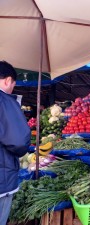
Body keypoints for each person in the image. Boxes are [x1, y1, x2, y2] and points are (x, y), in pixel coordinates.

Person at [0, 61, 31, 225]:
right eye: (13, 85)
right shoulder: (5, 101)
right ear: (7, 80)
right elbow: (19, 141)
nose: (12, 88)